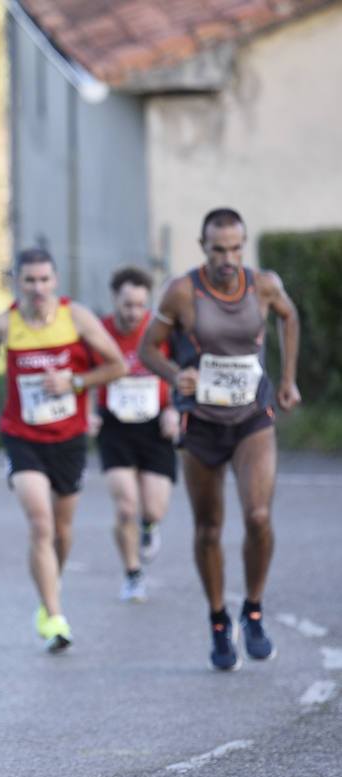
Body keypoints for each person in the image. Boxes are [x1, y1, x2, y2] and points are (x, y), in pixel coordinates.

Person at [137, 208, 301, 671]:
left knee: (259, 515)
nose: (227, 258)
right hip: (202, 423)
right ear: (203, 247)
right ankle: (217, 621)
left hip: (252, 416)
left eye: (235, 248)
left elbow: (289, 318)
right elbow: (148, 348)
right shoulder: (182, 292)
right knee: (208, 528)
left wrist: (287, 379)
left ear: (243, 245)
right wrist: (176, 375)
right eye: (218, 249)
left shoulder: (263, 284)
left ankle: (252, 610)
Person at [0, 248, 126, 652]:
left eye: (44, 280)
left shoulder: (76, 318)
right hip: (22, 437)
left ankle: (49, 591)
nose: (38, 288)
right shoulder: (4, 323)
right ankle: (54, 615)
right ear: (17, 282)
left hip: (70, 438)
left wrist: (75, 383)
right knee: (40, 524)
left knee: (61, 530)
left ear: (55, 281)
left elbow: (117, 366)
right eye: (30, 281)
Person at [86, 266, 179, 603]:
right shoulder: (99, 332)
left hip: (156, 426)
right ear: (114, 300)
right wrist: (88, 414)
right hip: (115, 425)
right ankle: (132, 573)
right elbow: (82, 373)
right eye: (127, 304)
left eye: (140, 305)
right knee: (125, 506)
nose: (134, 312)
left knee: (153, 509)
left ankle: (149, 527)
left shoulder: (160, 332)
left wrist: (175, 410)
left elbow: (182, 373)